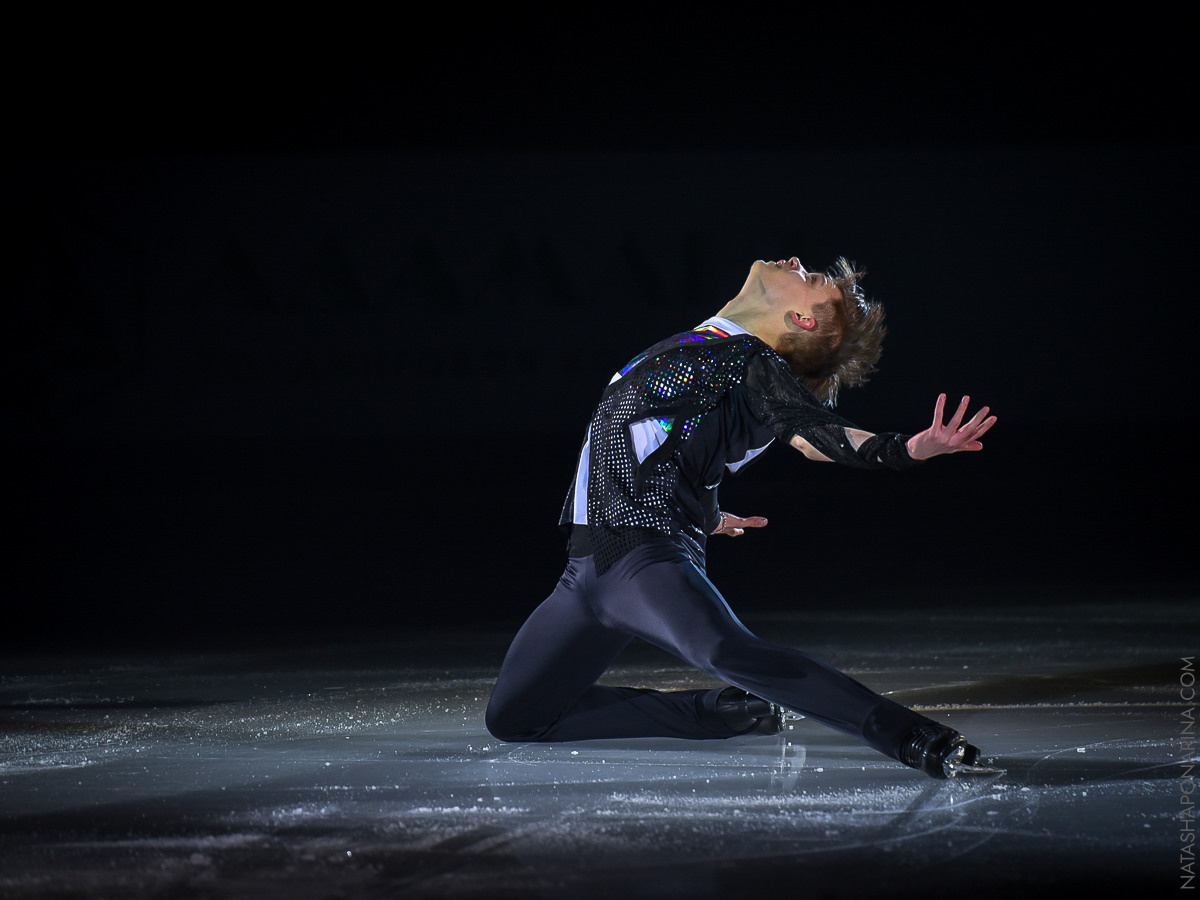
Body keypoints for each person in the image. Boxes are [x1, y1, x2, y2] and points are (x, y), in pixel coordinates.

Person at [485, 256, 998, 778]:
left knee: (724, 649)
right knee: (515, 718)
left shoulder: (752, 360)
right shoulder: (710, 346)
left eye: (810, 279)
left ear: (801, 320)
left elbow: (814, 434)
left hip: (642, 558)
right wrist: (706, 512)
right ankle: (729, 711)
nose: (796, 262)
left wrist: (904, 449)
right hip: (583, 573)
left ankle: (915, 738)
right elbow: (682, 441)